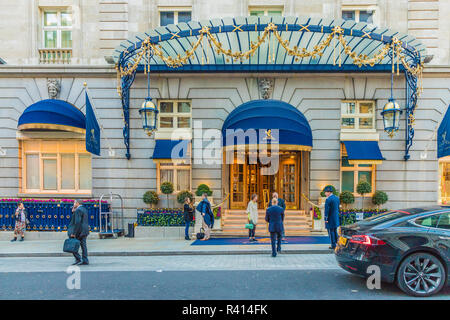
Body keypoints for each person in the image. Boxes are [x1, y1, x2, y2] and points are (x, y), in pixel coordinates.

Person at [67, 199, 90, 265]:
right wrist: (73, 211)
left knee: (72, 245)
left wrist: (74, 233)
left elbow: (77, 222)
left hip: (79, 231)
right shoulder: (83, 209)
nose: (73, 204)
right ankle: (85, 260)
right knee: (83, 246)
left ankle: (78, 259)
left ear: (77, 203)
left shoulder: (78, 210)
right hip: (84, 230)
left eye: (74, 203)